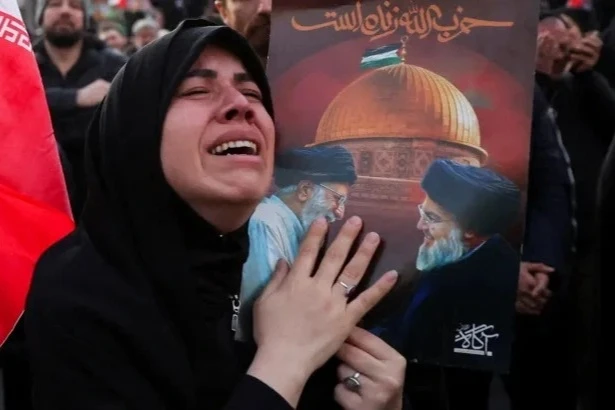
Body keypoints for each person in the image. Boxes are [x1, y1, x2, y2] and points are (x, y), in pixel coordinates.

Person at [24, 19, 407, 410]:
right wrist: (285, 363)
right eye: (197, 90)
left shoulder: (299, 276)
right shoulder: (80, 295)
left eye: (253, 92)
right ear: (137, 131)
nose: (241, 105)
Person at [371, 159, 522, 409]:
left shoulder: (491, 284)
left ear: (470, 229)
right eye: (422, 212)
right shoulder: (448, 255)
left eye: (431, 217)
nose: (420, 225)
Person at [237, 145, 357, 342]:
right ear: (305, 190)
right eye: (337, 199)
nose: (339, 213)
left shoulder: (291, 229)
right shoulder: (265, 223)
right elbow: (262, 320)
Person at [35, 0, 127, 218]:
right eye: (55, 4)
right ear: (41, 16)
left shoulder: (115, 66)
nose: (65, 11)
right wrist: (76, 98)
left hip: (101, 204)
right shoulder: (20, 63)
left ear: (85, 18)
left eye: (75, 6)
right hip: (35, 196)